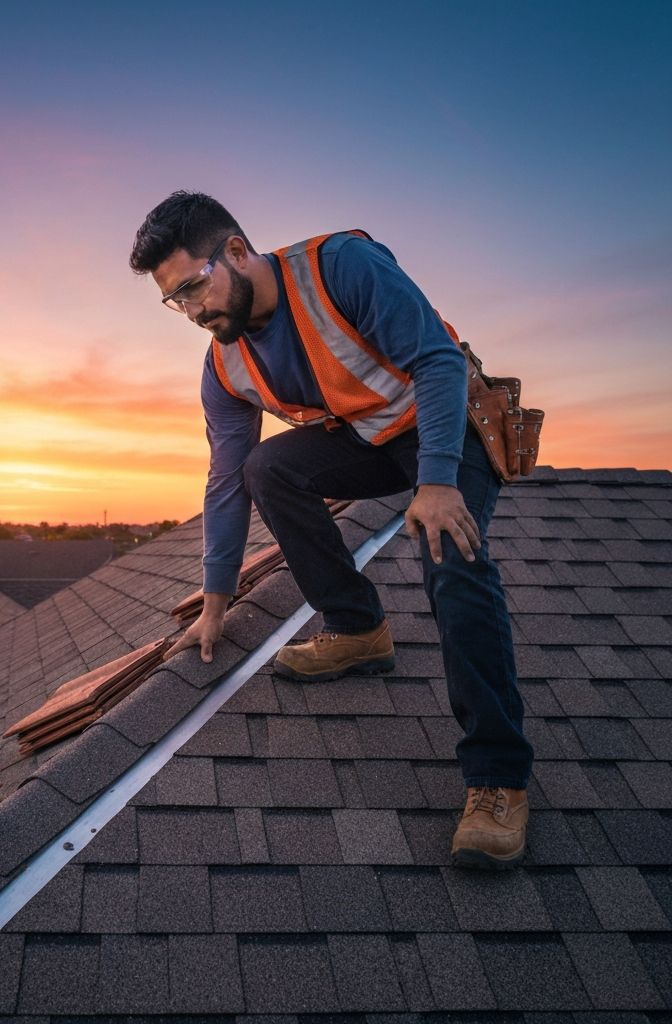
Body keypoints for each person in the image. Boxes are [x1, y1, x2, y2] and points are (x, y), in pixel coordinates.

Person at [129, 191, 534, 869]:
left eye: (195, 287)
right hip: (373, 441)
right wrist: (216, 599)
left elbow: (436, 360)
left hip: (450, 426)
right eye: (176, 301)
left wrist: (436, 483)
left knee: (450, 556)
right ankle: (357, 629)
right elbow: (225, 479)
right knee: (267, 469)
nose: (194, 311)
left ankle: (498, 777)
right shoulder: (224, 366)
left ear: (235, 252)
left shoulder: (340, 267)